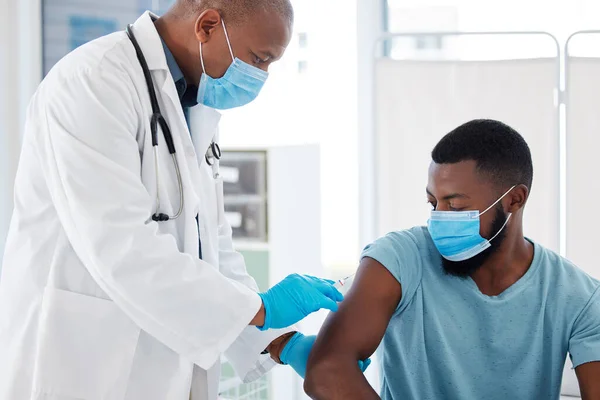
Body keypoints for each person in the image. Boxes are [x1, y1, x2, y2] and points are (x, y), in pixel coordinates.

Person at [0, 1, 361, 399]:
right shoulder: (93, 82)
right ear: (207, 25)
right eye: (259, 59)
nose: (261, 77)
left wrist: (281, 340)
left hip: (159, 367)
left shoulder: (194, 105)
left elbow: (212, 250)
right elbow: (120, 249)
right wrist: (259, 308)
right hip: (81, 364)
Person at [304, 119, 600, 400]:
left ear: (515, 200)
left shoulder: (578, 297)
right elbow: (327, 372)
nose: (439, 219)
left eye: (456, 206)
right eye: (433, 203)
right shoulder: (399, 259)